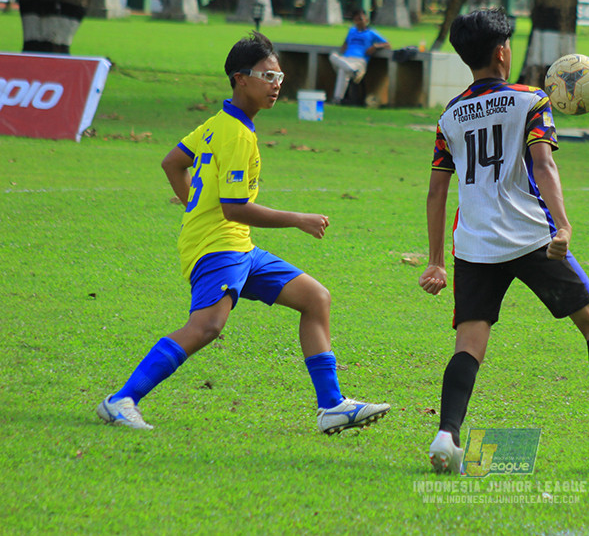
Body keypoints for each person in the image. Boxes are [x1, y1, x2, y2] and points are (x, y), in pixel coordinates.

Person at [418, 8, 589, 475]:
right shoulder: (530, 100)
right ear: (502, 51)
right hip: (532, 239)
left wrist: (436, 260)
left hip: (474, 245)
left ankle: (446, 436)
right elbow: (543, 164)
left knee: (469, 343)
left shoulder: (449, 116)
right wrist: (563, 225)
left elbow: (437, 191)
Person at [97, 31, 390, 434]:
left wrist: (196, 211)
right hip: (219, 248)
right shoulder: (235, 133)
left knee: (315, 298)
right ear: (240, 78)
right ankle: (122, 400)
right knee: (207, 327)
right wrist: (297, 219)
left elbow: (171, 163)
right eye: (268, 76)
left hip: (238, 247)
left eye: (279, 76)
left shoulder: (219, 123)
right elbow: (234, 208)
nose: (277, 84)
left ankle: (332, 407)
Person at [328, 9, 391, 105]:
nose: (359, 22)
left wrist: (375, 46)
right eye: (356, 20)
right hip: (346, 60)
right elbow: (345, 44)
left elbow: (387, 44)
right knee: (333, 56)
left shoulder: (371, 33)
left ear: (366, 19)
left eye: (361, 19)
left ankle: (337, 99)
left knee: (342, 71)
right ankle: (352, 71)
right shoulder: (351, 31)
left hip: (359, 61)